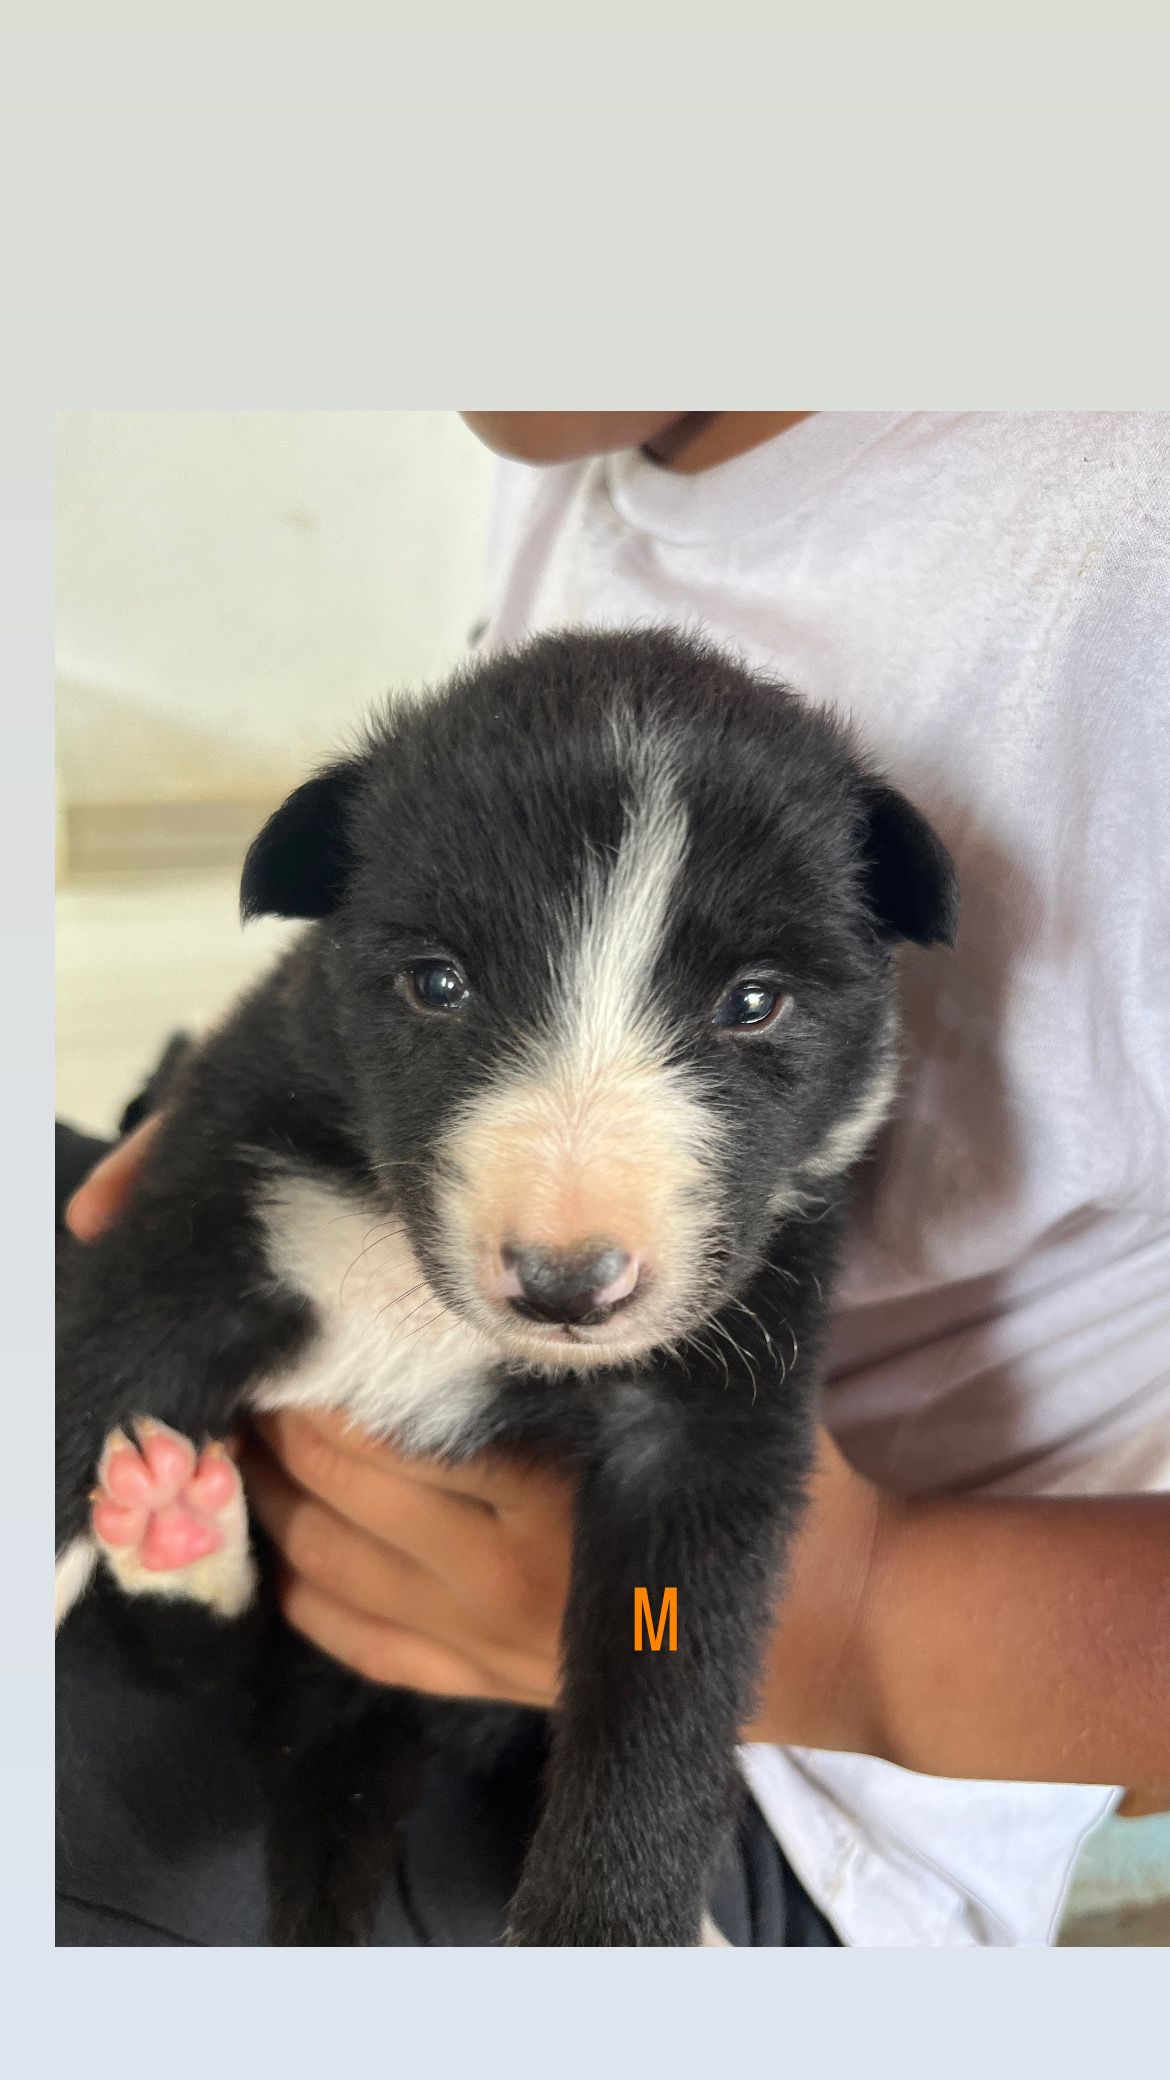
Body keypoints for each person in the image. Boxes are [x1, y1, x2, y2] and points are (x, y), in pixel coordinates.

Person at [60, 410, 1170, 1947]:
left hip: (764, 1766)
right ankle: (184, 1597)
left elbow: (676, 1571)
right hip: (304, 1504)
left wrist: (849, 1630)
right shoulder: (577, 439)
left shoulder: (1124, 557)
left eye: (750, 1010)